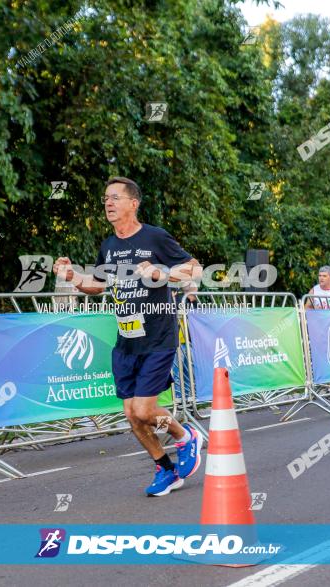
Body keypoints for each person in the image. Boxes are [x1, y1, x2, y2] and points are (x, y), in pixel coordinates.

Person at [52, 177, 203, 496]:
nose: (108, 203)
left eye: (115, 198)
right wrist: (72, 277)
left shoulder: (155, 237)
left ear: (133, 203)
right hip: (126, 341)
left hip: (158, 336)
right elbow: (97, 284)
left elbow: (194, 269)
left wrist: (162, 273)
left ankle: (185, 436)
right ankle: (166, 469)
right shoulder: (109, 246)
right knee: (133, 416)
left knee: (146, 411)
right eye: (106, 198)